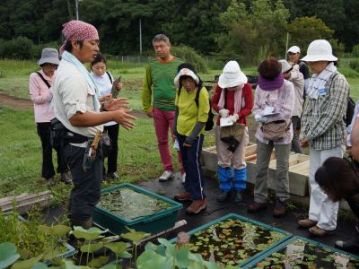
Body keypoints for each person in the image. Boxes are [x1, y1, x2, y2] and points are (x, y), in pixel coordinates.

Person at [52, 20, 135, 229]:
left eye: (98, 43)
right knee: (88, 192)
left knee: (83, 189)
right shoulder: (72, 75)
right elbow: (76, 117)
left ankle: (75, 229)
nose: (97, 48)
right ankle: (82, 242)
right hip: (81, 146)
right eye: (92, 42)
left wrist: (104, 108)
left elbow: (84, 108)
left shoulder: (75, 68)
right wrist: (113, 116)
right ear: (75, 43)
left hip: (83, 143)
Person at [298, 39, 349, 237]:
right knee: (314, 179)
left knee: (329, 183)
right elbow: (308, 109)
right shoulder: (315, 79)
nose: (310, 65)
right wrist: (304, 133)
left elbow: (333, 115)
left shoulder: (338, 81)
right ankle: (315, 215)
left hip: (331, 141)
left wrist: (309, 134)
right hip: (315, 140)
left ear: (325, 60)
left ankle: (327, 223)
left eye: (314, 61)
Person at [248, 57, 294, 217]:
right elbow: (255, 108)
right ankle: (260, 198)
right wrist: (260, 116)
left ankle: (282, 199)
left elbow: (287, 113)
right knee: (260, 167)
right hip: (263, 133)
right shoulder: (260, 87)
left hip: (283, 133)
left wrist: (266, 116)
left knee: (282, 169)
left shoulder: (288, 87)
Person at [142, 34, 184, 182]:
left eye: (161, 46)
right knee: (161, 140)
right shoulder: (152, 65)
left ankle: (183, 170)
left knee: (178, 140)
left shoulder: (179, 64)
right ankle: (167, 168)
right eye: (156, 47)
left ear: (169, 46)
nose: (158, 49)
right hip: (158, 109)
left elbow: (187, 88)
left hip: (176, 109)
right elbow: (147, 87)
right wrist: (147, 106)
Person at [211, 60, 253, 203]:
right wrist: (220, 110)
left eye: (233, 85)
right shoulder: (220, 87)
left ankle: (239, 189)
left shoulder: (246, 87)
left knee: (239, 160)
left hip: (239, 127)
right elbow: (214, 103)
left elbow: (249, 107)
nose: (230, 88)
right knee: (223, 160)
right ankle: (225, 188)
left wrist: (237, 115)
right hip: (222, 127)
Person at [29, 48, 72, 185]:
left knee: (62, 146)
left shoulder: (58, 75)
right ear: (43, 64)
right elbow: (35, 98)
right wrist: (51, 92)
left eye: (55, 65)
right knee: (47, 147)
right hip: (43, 119)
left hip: (58, 117)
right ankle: (48, 176)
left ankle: (64, 172)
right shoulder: (34, 77)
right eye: (49, 65)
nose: (52, 69)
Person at [173, 63, 209, 215]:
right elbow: (177, 109)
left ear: (195, 79)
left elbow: (203, 118)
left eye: (189, 80)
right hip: (181, 132)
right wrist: (175, 128)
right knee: (186, 163)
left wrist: (191, 137)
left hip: (194, 134)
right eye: (183, 80)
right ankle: (190, 192)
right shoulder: (180, 90)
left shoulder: (201, 92)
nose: (187, 84)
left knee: (194, 165)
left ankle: (200, 198)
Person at [315, 157, 359, 254]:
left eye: (325, 187)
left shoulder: (356, 197)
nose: (324, 191)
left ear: (335, 184)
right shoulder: (349, 189)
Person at [90, 53, 122, 180]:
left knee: (113, 144)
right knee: (98, 144)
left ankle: (112, 171)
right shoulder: (88, 78)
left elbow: (114, 94)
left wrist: (117, 89)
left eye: (103, 67)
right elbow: (89, 99)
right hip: (98, 116)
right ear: (91, 66)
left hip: (112, 115)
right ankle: (100, 171)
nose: (100, 70)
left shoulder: (108, 75)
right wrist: (101, 100)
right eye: (97, 67)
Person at [279, 59, 304, 153]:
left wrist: (281, 75)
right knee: (291, 136)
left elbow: (292, 75)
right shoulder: (283, 80)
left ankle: (298, 156)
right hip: (286, 112)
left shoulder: (298, 75)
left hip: (293, 112)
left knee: (291, 136)